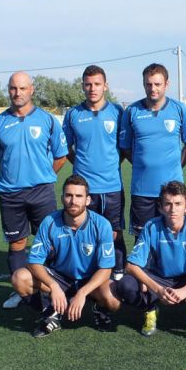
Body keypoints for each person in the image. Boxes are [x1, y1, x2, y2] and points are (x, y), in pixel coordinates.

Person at [0, 71, 68, 309]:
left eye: (22, 88)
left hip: (42, 192)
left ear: (31, 90)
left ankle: (53, 289)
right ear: (8, 90)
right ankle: (20, 290)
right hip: (11, 194)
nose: (17, 93)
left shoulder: (47, 120)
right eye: (13, 88)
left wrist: (43, 175)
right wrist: (12, 176)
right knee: (17, 243)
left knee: (49, 243)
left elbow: (61, 155)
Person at [10, 175, 120, 337]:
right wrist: (53, 286)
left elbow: (106, 269)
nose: (73, 201)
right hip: (59, 277)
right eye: (69, 195)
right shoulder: (49, 222)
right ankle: (51, 314)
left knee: (113, 299)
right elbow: (34, 262)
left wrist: (82, 293)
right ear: (62, 198)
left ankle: (99, 310)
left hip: (89, 279)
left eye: (78, 196)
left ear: (87, 200)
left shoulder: (101, 225)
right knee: (20, 278)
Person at [113, 181, 186, 337]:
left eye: (178, 204)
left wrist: (185, 290)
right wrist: (158, 290)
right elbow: (131, 266)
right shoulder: (152, 226)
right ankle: (150, 309)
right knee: (125, 284)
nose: (173, 209)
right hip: (158, 278)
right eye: (168, 204)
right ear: (160, 207)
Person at [63, 65, 127, 277]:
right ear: (83, 86)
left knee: (114, 232)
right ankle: (88, 272)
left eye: (97, 84)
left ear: (105, 86)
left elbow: (124, 147)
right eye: (88, 84)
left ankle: (118, 271)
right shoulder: (73, 114)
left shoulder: (117, 112)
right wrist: (81, 164)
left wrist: (111, 163)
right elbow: (66, 148)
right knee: (84, 231)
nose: (93, 88)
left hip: (111, 186)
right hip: (84, 189)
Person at [119, 63, 186, 238]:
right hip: (142, 190)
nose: (153, 88)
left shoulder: (180, 109)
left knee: (174, 236)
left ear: (166, 84)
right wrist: (142, 164)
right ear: (143, 84)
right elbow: (125, 147)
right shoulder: (132, 111)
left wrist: (177, 165)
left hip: (173, 191)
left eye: (157, 84)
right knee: (142, 239)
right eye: (148, 84)